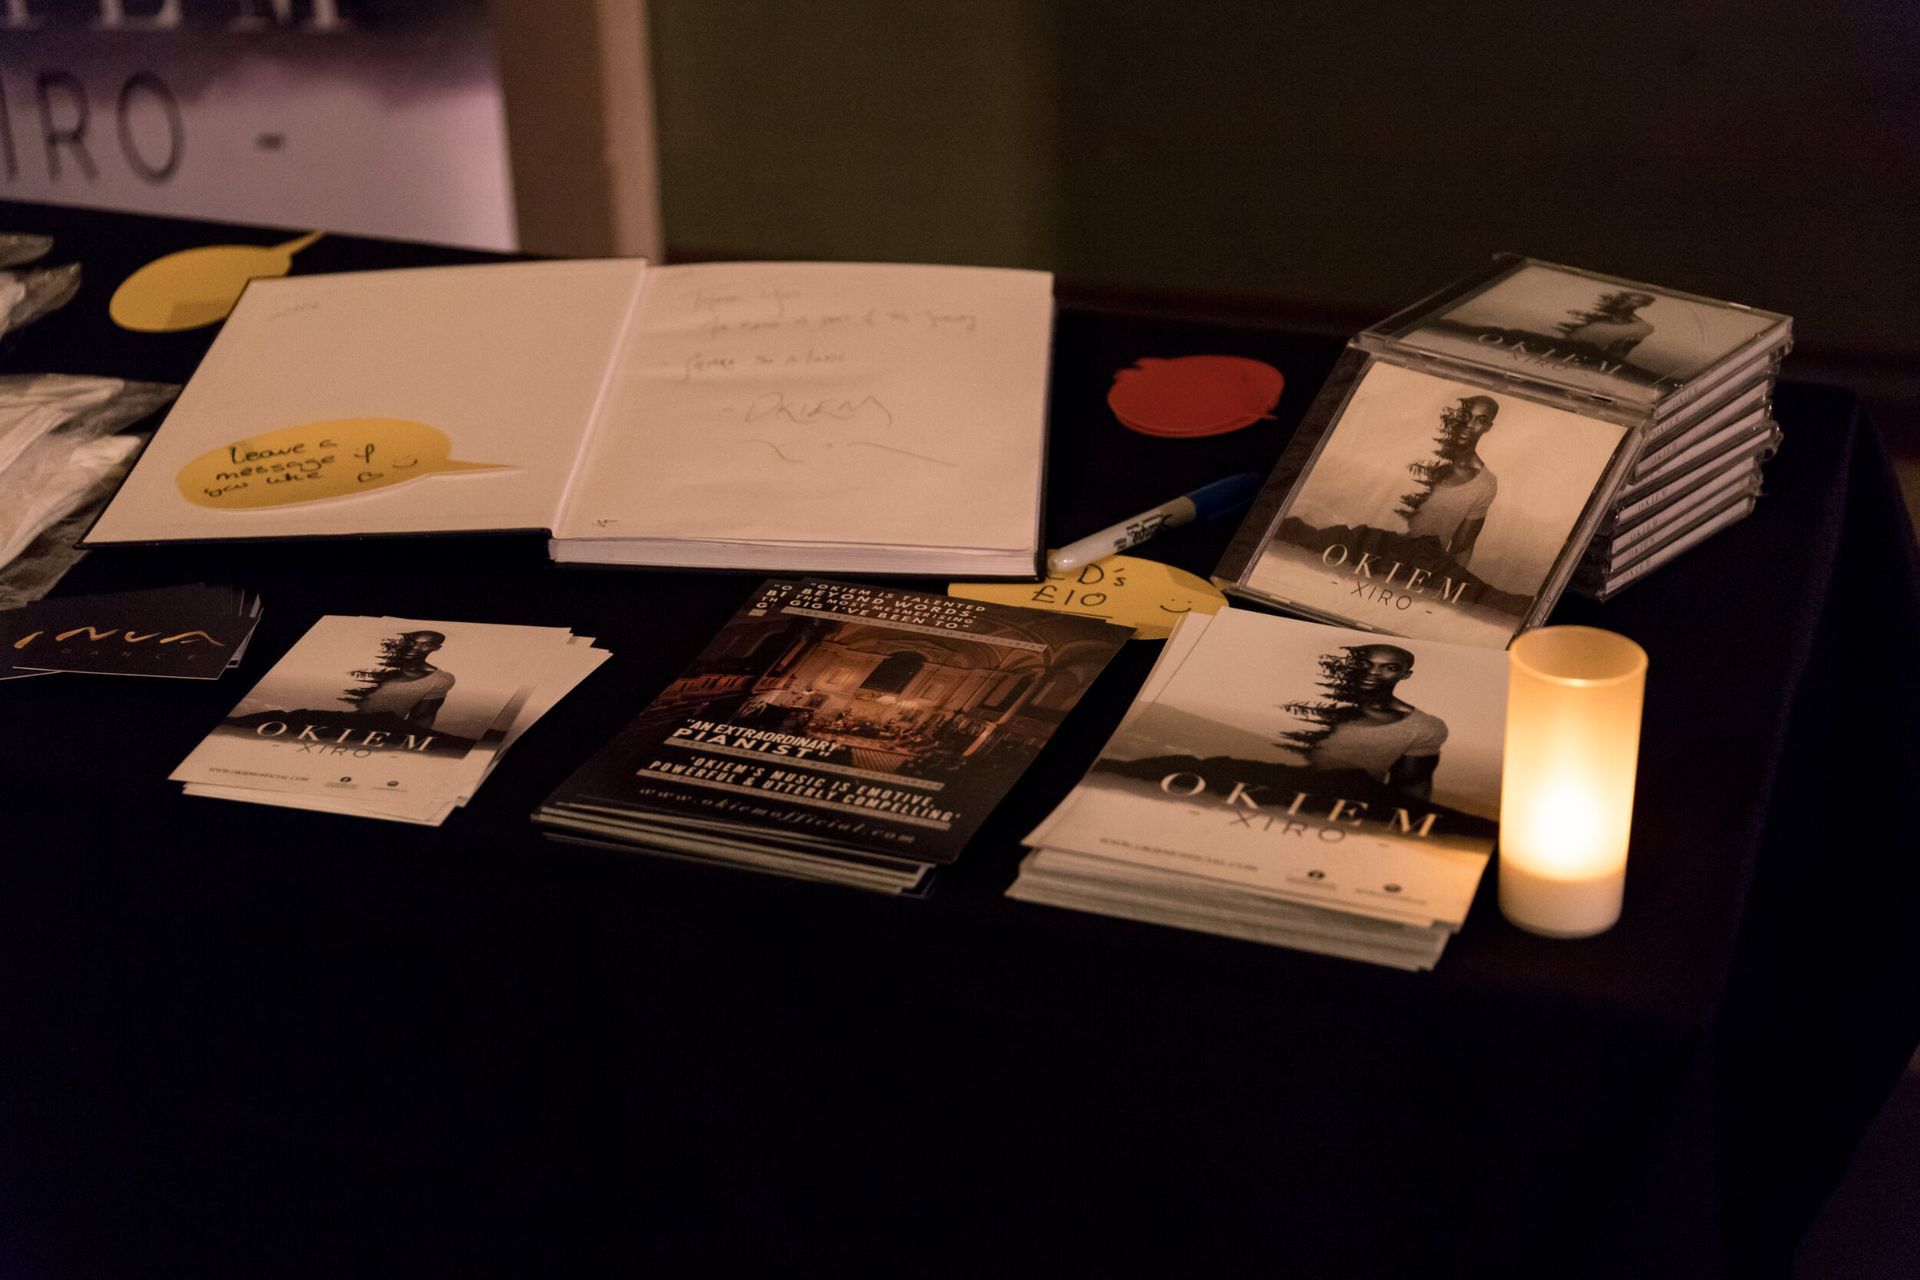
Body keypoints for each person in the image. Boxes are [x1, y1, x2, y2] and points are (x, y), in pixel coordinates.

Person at [1304, 644, 1447, 798]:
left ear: (1406, 674)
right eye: (1363, 664)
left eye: (1390, 668)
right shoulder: (1307, 701)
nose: (1372, 672)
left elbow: (1411, 791)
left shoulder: (1422, 727)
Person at [1404, 394, 1498, 565]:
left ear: (1488, 427)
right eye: (1466, 416)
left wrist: (1447, 588)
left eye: (1480, 420)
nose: (1470, 425)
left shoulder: (1484, 483)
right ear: (1457, 415)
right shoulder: (1415, 449)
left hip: (1413, 571)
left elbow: (1462, 547)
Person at [352, 630, 454, 728]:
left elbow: (422, 719)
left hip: (376, 734)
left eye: (426, 645)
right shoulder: (369, 662)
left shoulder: (439, 680)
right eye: (411, 642)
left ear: (436, 647)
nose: (415, 647)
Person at [1559, 290, 1656, 360]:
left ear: (1641, 305)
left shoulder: (1639, 326)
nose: (1629, 303)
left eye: (1636, 302)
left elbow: (1619, 351)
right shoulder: (1599, 317)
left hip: (1594, 360)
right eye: (1627, 299)